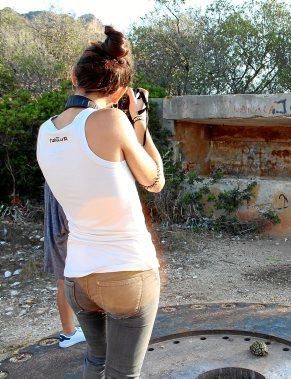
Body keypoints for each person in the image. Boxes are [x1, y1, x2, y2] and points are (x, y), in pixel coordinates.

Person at [36, 25, 165, 378]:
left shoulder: (46, 131)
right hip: (128, 273)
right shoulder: (113, 120)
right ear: (121, 90)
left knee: (96, 361)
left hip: (78, 277)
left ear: (74, 77)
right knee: (123, 372)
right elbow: (154, 180)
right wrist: (139, 120)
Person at [43, 183, 86, 348]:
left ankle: (69, 333)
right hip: (64, 230)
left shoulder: (52, 161)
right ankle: (69, 333)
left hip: (59, 228)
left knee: (65, 280)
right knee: (66, 280)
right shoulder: (62, 166)